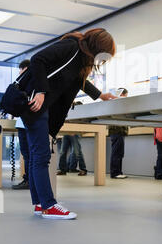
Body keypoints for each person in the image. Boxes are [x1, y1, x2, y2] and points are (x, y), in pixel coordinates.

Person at [19, 28, 116, 220]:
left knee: (36, 155)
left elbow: (80, 81)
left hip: (43, 108)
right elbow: (38, 59)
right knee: (41, 155)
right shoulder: (71, 46)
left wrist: (100, 95)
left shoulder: (81, 60)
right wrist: (40, 91)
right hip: (36, 104)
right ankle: (48, 205)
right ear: (98, 47)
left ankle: (40, 204)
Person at [12, 60, 31, 190]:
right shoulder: (20, 83)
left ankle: (29, 181)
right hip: (21, 123)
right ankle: (28, 179)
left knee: (30, 154)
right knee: (26, 154)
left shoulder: (32, 83)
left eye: (21, 69)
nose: (19, 72)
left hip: (29, 123)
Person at [109, 88, 128, 179]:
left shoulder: (114, 103)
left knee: (119, 152)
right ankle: (115, 172)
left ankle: (118, 172)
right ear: (123, 94)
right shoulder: (118, 103)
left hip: (116, 131)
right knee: (117, 152)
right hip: (117, 131)